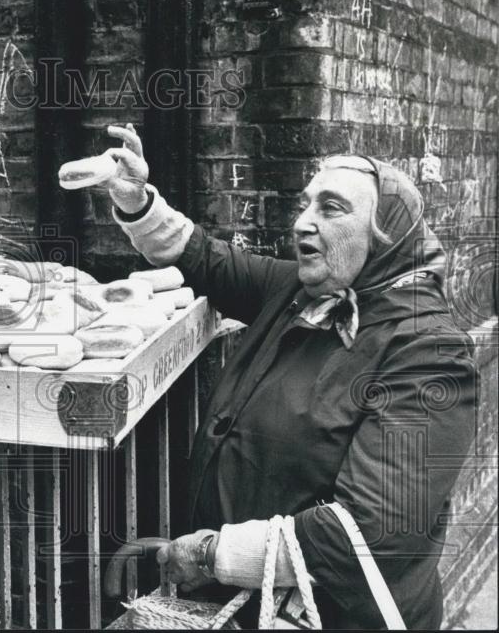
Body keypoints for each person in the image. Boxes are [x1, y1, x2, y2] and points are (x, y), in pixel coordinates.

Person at [102, 125, 476, 628]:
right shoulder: (301, 291)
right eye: (306, 204)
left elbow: (374, 528)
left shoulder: (428, 350)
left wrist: (214, 553)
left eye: (331, 208)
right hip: (250, 607)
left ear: (385, 234)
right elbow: (208, 261)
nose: (303, 222)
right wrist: (138, 204)